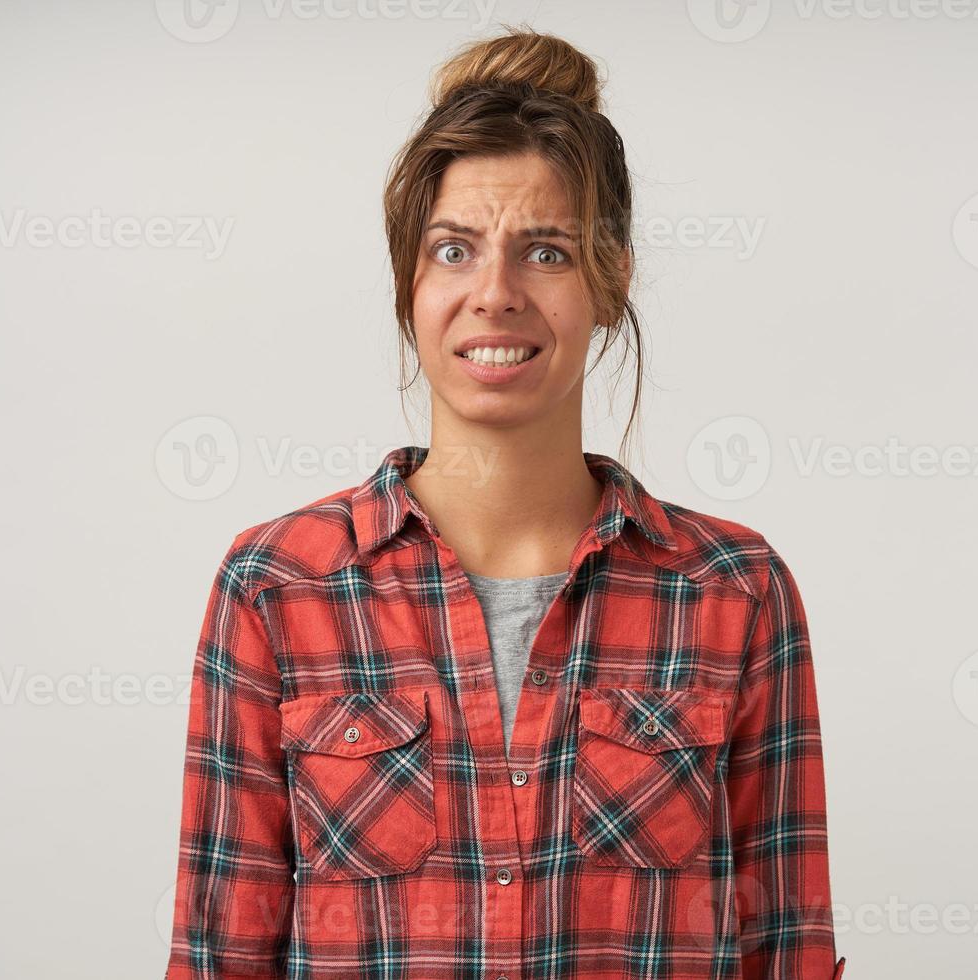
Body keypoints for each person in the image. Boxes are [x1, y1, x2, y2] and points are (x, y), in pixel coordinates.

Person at [164, 25, 845, 980]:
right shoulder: (277, 588)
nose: (495, 293)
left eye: (548, 253)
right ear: (409, 282)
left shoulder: (736, 594)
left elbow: (789, 954)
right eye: (454, 250)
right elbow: (217, 956)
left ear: (610, 282)